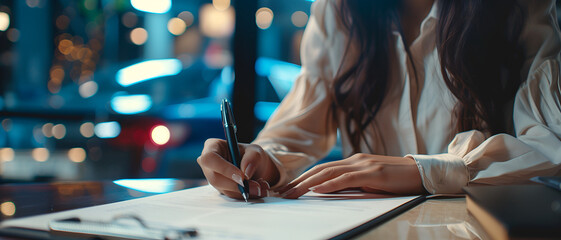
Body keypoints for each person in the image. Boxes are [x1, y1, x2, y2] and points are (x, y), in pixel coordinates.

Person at [198, 0, 561, 200]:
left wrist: (430, 172)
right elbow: (297, 130)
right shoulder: (338, 12)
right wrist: (259, 159)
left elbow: (551, 147)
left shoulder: (521, 8)